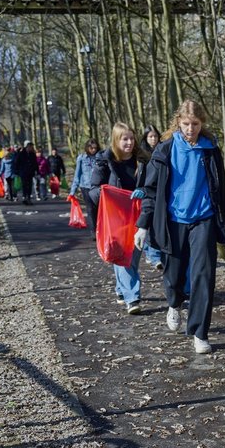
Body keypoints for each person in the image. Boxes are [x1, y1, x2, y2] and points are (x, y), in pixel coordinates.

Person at [134, 100, 225, 355]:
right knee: (174, 273)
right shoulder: (165, 150)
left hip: (204, 219)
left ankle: (200, 332)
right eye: (186, 124)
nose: (191, 129)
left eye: (196, 124)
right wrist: (143, 226)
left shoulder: (210, 149)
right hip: (173, 221)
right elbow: (151, 190)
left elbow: (220, 189)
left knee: (204, 275)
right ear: (178, 122)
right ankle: (174, 303)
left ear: (203, 123)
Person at [89, 123, 147, 314]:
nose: (129, 142)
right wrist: (108, 193)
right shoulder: (105, 160)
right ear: (116, 140)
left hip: (137, 216)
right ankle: (133, 298)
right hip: (115, 217)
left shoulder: (143, 160)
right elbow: (94, 191)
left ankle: (121, 289)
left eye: (132, 138)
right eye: (125, 139)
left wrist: (144, 191)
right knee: (124, 256)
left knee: (133, 255)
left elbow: (153, 185)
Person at [138, 125, 163, 271]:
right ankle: (152, 255)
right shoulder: (142, 155)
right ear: (146, 138)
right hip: (145, 191)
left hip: (159, 191)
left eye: (155, 136)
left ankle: (152, 253)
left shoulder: (163, 150)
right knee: (147, 221)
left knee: (154, 222)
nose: (153, 139)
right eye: (150, 136)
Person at [69, 139, 101, 230]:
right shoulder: (81, 158)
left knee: (98, 209)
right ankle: (93, 230)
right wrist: (72, 191)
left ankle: (100, 229)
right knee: (90, 209)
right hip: (85, 187)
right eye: (91, 148)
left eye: (95, 148)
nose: (93, 150)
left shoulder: (100, 157)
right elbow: (77, 175)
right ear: (87, 148)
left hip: (97, 187)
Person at [14, 141, 38, 205]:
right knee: (24, 185)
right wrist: (17, 171)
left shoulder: (32, 154)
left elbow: (35, 163)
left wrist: (36, 171)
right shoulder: (21, 154)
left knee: (30, 185)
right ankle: (25, 197)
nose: (31, 147)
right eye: (30, 146)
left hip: (30, 172)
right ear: (26, 147)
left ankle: (28, 197)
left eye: (31, 146)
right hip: (23, 172)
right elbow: (17, 162)